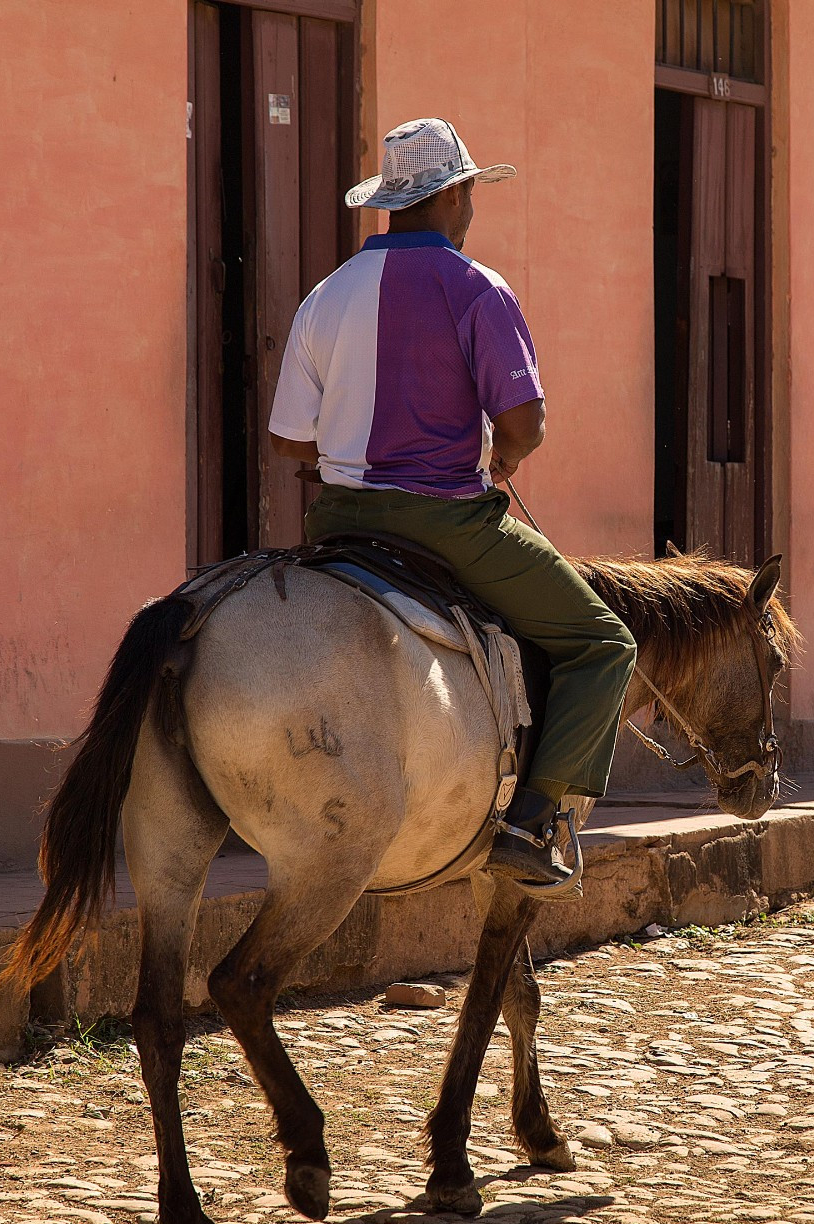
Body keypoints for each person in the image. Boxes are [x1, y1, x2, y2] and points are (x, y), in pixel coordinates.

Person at [267, 118, 635, 887]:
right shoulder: (478, 288)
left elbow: (288, 440)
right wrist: (505, 458)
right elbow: (525, 422)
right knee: (605, 645)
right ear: (457, 195)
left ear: (393, 203)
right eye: (471, 194)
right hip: (449, 524)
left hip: (337, 520)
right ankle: (533, 824)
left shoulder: (325, 296)